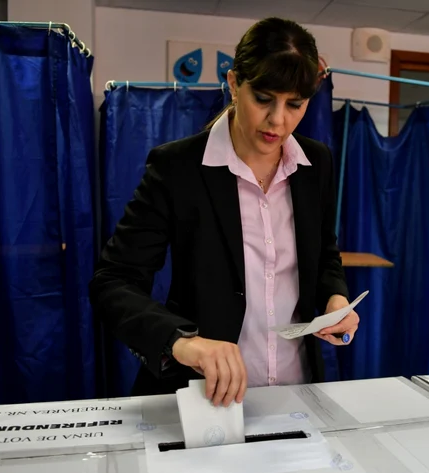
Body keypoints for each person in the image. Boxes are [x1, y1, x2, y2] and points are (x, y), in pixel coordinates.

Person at [89, 17, 360, 408]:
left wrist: (335, 298)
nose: (278, 120)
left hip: (296, 393)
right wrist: (183, 342)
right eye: (264, 99)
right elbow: (113, 282)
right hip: (204, 398)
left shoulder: (316, 164)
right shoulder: (177, 168)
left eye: (295, 104)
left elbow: (324, 255)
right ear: (234, 84)